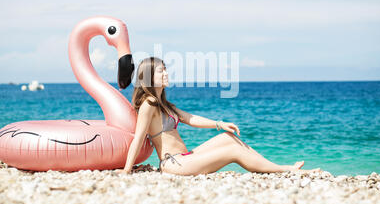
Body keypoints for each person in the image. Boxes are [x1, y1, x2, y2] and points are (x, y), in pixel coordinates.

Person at [115, 57, 321, 176]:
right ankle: (285, 170)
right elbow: (139, 137)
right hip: (173, 164)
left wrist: (219, 124)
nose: (167, 74)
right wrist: (126, 170)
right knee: (233, 151)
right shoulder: (149, 104)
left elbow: (191, 119)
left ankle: (273, 166)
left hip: (186, 158)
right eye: (161, 72)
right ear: (149, 76)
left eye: (166, 70)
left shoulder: (165, 105)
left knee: (227, 138)